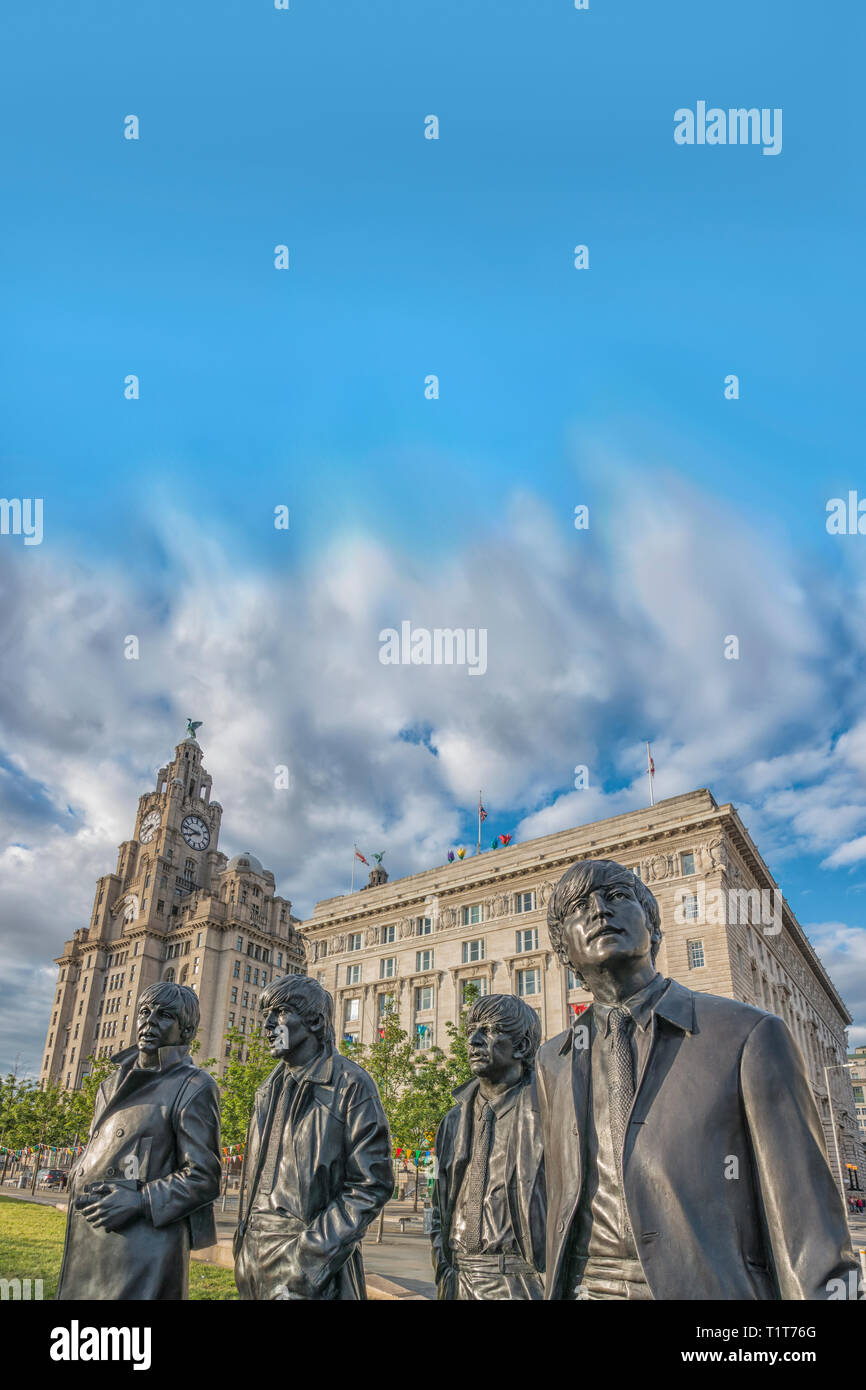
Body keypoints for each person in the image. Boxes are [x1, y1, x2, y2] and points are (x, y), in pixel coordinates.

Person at [535, 858, 859, 1300]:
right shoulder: (551, 1061)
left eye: (617, 897)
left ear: (654, 926)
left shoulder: (746, 1035)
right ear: (562, 952)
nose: (599, 911)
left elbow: (809, 1236)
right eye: (578, 907)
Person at [56, 981, 222, 1300]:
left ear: (185, 1030)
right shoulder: (110, 1084)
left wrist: (140, 1200)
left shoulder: (194, 1085)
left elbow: (204, 1177)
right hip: (93, 1243)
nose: (149, 1022)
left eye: (164, 1015)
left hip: (142, 1253)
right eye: (144, 1012)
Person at [234, 975, 393, 1300]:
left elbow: (370, 1184)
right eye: (265, 1014)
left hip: (312, 1268)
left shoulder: (351, 1084)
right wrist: (243, 1253)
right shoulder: (266, 1091)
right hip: (253, 1261)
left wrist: (308, 1262)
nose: (266, 1025)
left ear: (315, 1021)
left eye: (278, 1013)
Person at [431, 993, 545, 1299]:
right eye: (471, 1031)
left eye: (490, 1030)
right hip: (456, 1279)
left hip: (518, 1281)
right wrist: (443, 1268)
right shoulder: (453, 1120)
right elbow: (439, 1206)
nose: (473, 1041)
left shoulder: (548, 1114)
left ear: (521, 1046)